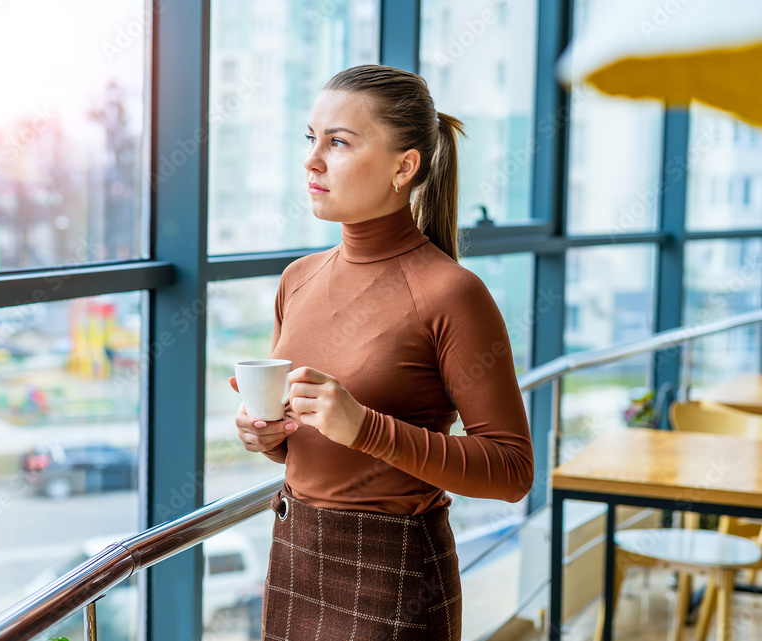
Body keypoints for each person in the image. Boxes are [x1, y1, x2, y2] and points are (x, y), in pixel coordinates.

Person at [228, 64, 534, 640]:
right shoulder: (297, 279)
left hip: (395, 576)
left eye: (338, 142)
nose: (312, 160)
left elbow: (513, 472)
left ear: (404, 166)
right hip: (295, 553)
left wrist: (367, 428)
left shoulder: (451, 294)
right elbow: (319, 453)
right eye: (310, 137)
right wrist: (267, 437)